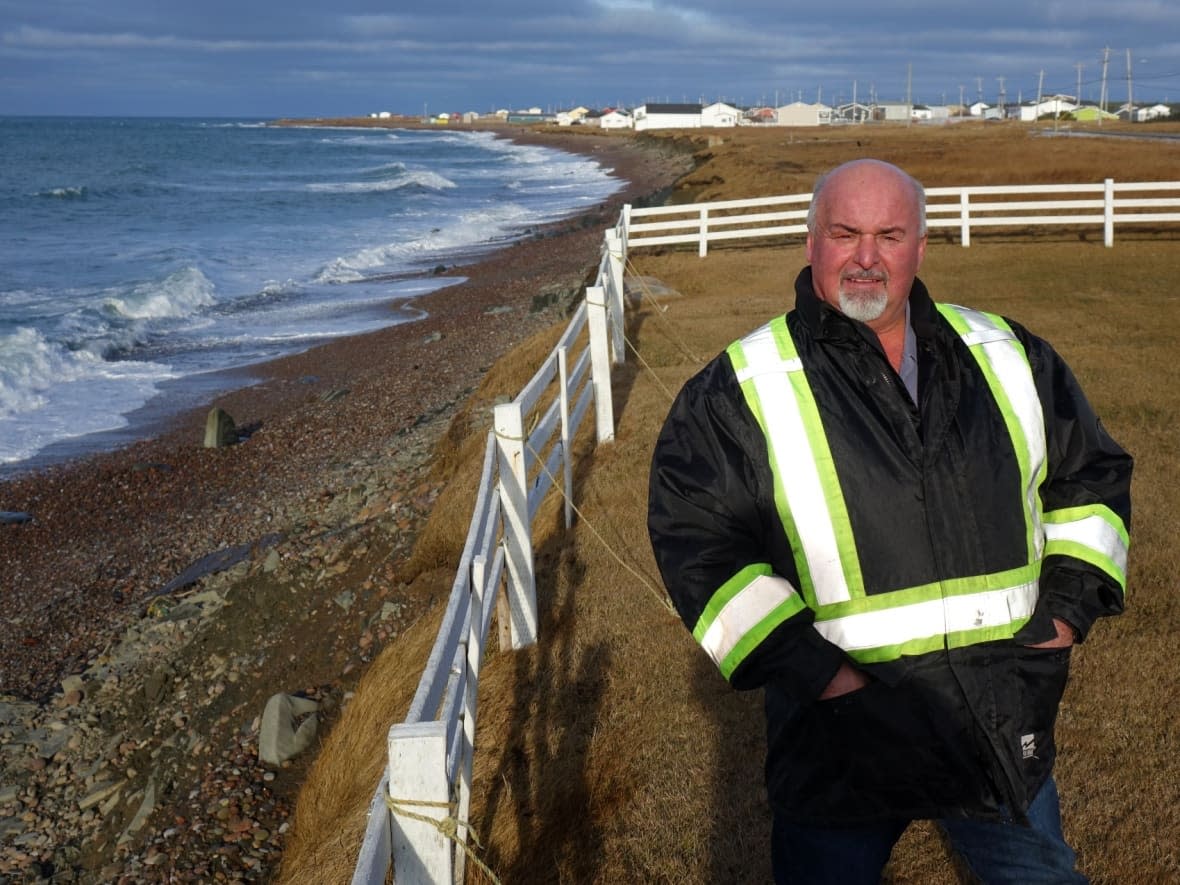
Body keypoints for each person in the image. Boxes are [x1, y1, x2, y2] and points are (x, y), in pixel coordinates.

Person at [646, 159, 1131, 884]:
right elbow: (702, 546)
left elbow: (1088, 481)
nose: (867, 257)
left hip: (995, 722)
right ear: (811, 242)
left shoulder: (1008, 354)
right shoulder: (740, 387)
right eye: (845, 233)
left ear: (920, 247)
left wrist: (1062, 615)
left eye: (889, 235)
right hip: (838, 740)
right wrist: (821, 676)